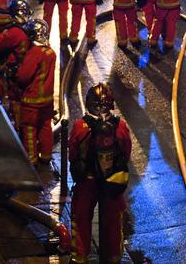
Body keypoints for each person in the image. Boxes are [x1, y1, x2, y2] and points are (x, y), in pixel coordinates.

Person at [68, 83, 131, 264]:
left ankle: (80, 257)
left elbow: (73, 153)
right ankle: (113, 257)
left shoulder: (80, 127)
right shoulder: (120, 126)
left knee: (81, 218)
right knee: (114, 221)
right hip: (112, 181)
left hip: (87, 182)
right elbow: (126, 152)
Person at [11, 18, 57, 165]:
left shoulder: (35, 53)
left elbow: (23, 76)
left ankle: (32, 160)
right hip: (47, 100)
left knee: (29, 130)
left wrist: (16, 73)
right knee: (45, 127)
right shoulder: (50, 52)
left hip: (32, 101)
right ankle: (46, 156)